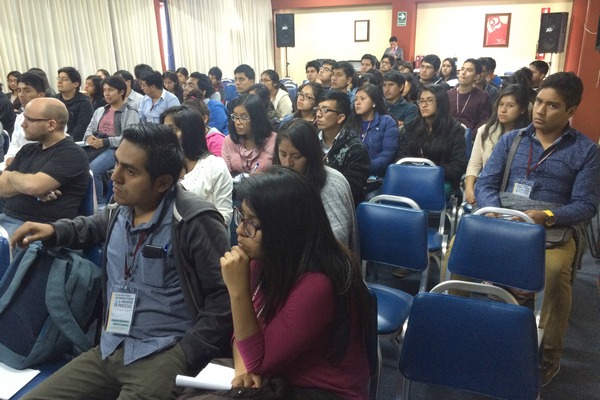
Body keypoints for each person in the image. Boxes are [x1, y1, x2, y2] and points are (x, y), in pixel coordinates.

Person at [12, 123, 233, 400]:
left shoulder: (193, 221)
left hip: (162, 352)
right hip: (111, 346)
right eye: (117, 164)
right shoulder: (120, 211)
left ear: (163, 182)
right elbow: (92, 225)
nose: (114, 176)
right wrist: (54, 230)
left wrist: (186, 353)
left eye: (130, 171)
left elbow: (223, 299)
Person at [474, 72, 600, 386]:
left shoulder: (586, 151)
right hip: (505, 224)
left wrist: (544, 215)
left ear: (571, 111)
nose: (540, 111)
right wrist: (496, 214)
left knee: (555, 274)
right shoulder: (511, 140)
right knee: (459, 264)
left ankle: (547, 355)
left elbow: (586, 205)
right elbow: (486, 183)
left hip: (552, 231)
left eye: (552, 106)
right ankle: (468, 334)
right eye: (539, 102)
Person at [219, 166, 370, 399]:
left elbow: (259, 363)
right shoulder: (267, 257)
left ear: (283, 229)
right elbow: (243, 331)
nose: (239, 230)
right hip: (278, 374)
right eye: (241, 216)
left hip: (322, 391)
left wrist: (237, 291)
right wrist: (243, 372)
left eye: (251, 222)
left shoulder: (319, 284)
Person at [0, 98, 89, 237]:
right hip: (7, 219)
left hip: (37, 230)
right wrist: (28, 186)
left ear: (51, 125)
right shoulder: (28, 150)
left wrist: (11, 177)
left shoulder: (71, 154)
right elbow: (1, 187)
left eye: (29, 119)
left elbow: (34, 186)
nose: (23, 124)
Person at [274, 119, 358, 251]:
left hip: (324, 262)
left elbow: (337, 240)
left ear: (311, 155)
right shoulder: (281, 180)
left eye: (296, 156)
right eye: (283, 154)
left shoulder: (332, 184)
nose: (287, 163)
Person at [161, 105, 233, 225]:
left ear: (190, 132)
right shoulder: (163, 165)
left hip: (204, 235)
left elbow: (224, 215)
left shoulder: (214, 165)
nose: (166, 136)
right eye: (164, 130)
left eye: (172, 130)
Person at [464, 84, 531, 205]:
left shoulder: (529, 136)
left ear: (522, 109)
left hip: (515, 195)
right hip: (487, 189)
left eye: (510, 105)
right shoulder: (485, 131)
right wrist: (469, 189)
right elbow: (474, 164)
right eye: (501, 104)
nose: (503, 110)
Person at [397, 84, 467, 194]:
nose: (424, 105)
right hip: (411, 177)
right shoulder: (411, 127)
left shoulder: (454, 130)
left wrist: (430, 173)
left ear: (441, 103)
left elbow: (458, 165)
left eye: (429, 101)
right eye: (421, 101)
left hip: (440, 180)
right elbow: (401, 156)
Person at [83, 76, 140, 204]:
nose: (107, 93)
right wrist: (89, 137)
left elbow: (129, 137)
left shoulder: (130, 112)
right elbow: (88, 129)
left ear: (121, 92)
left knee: (93, 169)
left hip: (116, 149)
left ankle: (98, 203)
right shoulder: (100, 111)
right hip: (95, 146)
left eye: (111, 90)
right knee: (78, 164)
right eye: (104, 90)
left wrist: (105, 142)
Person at [315, 90, 370, 205]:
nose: (318, 114)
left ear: (340, 118)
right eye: (318, 109)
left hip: (340, 205)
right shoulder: (310, 139)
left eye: (325, 110)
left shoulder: (355, 148)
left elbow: (350, 189)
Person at [347, 84, 399, 177]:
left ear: (374, 102)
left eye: (362, 99)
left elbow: (388, 154)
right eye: (356, 99)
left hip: (377, 176)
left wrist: (364, 168)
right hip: (351, 174)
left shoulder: (387, 122)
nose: (357, 103)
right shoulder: (350, 122)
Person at [221, 94, 276, 175]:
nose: (237, 122)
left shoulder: (274, 141)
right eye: (235, 116)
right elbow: (226, 174)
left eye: (243, 118)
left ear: (256, 118)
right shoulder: (229, 141)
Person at [3, 73, 47, 169]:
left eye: (27, 91)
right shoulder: (20, 118)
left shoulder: (51, 117)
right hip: (19, 162)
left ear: (41, 95)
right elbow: (14, 143)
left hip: (39, 164)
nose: (21, 95)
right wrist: (10, 157)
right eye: (19, 90)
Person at [447, 58, 492, 131]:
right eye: (462, 69)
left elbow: (483, 122)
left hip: (471, 139)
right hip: (448, 136)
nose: (463, 73)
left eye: (469, 70)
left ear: (476, 76)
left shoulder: (483, 97)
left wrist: (469, 137)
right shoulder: (448, 95)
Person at [56, 66, 94, 141]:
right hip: (56, 138)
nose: (59, 81)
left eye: (64, 79)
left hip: (74, 141)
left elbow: (82, 128)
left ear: (75, 84)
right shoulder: (54, 100)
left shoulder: (84, 102)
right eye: (59, 78)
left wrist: (65, 140)